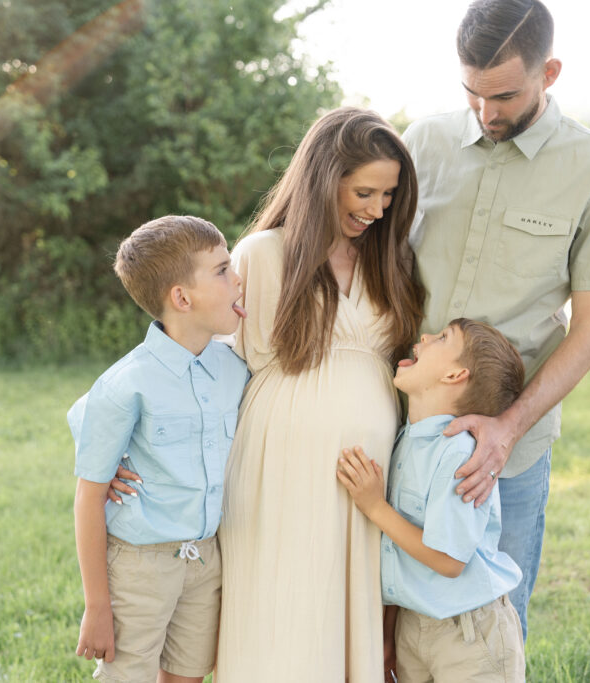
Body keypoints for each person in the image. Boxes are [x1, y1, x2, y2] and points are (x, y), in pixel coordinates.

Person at [402, 0, 590, 641]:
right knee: (388, 625)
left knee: (493, 627)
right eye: (471, 93)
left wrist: (507, 429)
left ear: (551, 70)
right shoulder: (422, 142)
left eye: (504, 94)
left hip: (507, 455)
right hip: (397, 433)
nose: (486, 113)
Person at [214, 107, 425, 682]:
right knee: (281, 610)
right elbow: (218, 365)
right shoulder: (262, 254)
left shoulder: (392, 261)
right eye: (364, 191)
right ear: (324, 177)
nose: (377, 209)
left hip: (366, 477)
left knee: (347, 611)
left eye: (388, 195)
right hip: (276, 466)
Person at [68, 215, 249, 683]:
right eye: (223, 270)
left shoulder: (233, 367)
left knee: (189, 675)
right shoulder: (128, 382)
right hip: (139, 566)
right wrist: (97, 606)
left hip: (206, 559)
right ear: (181, 298)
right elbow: (88, 494)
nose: (239, 279)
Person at [338, 317, 527, 683]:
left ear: (455, 375)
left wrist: (375, 507)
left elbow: (448, 560)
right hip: (415, 624)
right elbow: (398, 555)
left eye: (442, 338)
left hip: (468, 634)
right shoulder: (407, 439)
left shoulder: (459, 455)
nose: (423, 336)